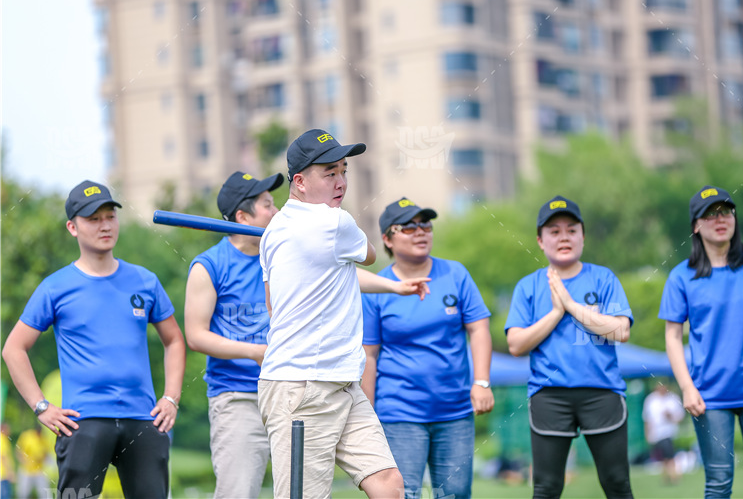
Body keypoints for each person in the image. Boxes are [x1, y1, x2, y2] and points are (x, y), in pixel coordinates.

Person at [258, 129, 430, 499]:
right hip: (304, 386)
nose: (341, 183)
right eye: (329, 173)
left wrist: (394, 286)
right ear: (300, 182)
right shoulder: (334, 223)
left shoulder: (275, 231)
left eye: (343, 170)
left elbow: (329, 276)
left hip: (342, 382)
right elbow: (366, 255)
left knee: (388, 485)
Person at [1, 180, 186, 499]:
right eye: (93, 219)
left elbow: (175, 341)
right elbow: (13, 348)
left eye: (110, 216)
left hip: (143, 419)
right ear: (73, 227)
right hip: (83, 423)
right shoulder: (55, 287)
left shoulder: (145, 280)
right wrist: (42, 406)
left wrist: (170, 398)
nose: (105, 225)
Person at [660, 185, 743, 499]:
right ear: (696, 226)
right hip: (708, 397)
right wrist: (687, 387)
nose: (720, 219)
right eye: (710, 214)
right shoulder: (681, 277)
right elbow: (672, 337)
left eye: (726, 211)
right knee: (718, 483)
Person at [361, 197, 494, 499]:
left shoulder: (455, 274)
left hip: (455, 411)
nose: (420, 231)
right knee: (404, 494)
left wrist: (482, 382)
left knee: (455, 494)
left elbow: (479, 328)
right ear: (387, 239)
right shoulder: (376, 287)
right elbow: (368, 354)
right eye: (408, 227)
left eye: (425, 225)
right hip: (399, 412)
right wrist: (367, 417)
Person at [505, 195, 634, 499]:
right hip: (550, 396)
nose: (564, 236)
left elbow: (621, 330)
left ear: (583, 237)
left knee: (617, 482)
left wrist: (571, 305)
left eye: (571, 229)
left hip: (602, 392)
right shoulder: (528, 286)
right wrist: (555, 312)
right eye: (554, 231)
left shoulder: (603, 278)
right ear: (540, 240)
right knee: (547, 487)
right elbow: (516, 344)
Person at [184, 171, 284, 498]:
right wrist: (255, 351)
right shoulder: (209, 266)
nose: (277, 211)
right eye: (267, 205)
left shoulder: (283, 258)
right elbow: (196, 336)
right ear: (242, 217)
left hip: (289, 393)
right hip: (238, 397)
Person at [642, 383, 684, 485]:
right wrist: (647, 434)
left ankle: (674, 476)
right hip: (656, 434)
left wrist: (671, 416)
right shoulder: (650, 400)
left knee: (669, 455)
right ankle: (667, 477)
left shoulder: (673, 398)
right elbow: (647, 419)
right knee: (663, 457)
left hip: (669, 432)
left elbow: (680, 417)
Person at [15, 424, 50, 499]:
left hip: (38, 470)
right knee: (23, 493)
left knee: (45, 493)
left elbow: (46, 453)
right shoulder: (27, 436)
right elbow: (18, 450)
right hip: (26, 470)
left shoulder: (43, 439)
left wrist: (41, 458)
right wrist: (24, 461)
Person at [1, 423, 15, 499]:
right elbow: (3, 457)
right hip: (3, 474)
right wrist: (9, 472)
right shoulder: (2, 439)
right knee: (5, 495)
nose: (10, 432)